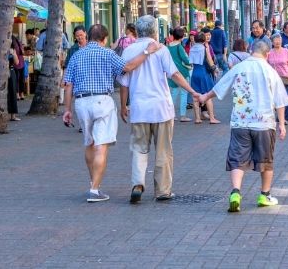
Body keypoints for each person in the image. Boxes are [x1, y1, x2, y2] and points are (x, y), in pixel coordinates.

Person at [63, 23, 163, 203]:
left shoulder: (76, 56)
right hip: (102, 100)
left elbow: (68, 84)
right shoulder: (108, 53)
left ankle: (93, 182)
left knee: (89, 143)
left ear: (89, 36)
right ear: (104, 39)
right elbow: (128, 67)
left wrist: (67, 109)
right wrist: (147, 51)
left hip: (81, 101)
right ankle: (94, 190)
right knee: (101, 145)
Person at [197, 39, 288, 212]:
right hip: (264, 123)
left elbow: (219, 87)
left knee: (238, 158)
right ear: (267, 53)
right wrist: (282, 124)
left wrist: (204, 97)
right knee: (265, 160)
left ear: (250, 50)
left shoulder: (239, 67)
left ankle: (235, 193)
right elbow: (280, 101)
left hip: (240, 121)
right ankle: (264, 195)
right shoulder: (270, 71)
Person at [118, 16, 200, 204]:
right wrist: (192, 91)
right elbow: (175, 74)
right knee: (164, 150)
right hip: (161, 107)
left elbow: (123, 83)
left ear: (137, 31)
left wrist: (123, 106)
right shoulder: (161, 49)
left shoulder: (128, 50)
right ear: (155, 30)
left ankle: (138, 184)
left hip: (139, 108)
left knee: (139, 148)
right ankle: (163, 190)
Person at [189, 32, 220, 124]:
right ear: (203, 40)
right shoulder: (204, 48)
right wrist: (215, 69)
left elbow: (190, 61)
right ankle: (212, 118)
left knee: (195, 97)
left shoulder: (192, 48)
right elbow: (210, 61)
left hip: (194, 72)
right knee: (208, 96)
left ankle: (197, 118)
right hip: (203, 73)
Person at [268, 33, 288, 123]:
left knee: (286, 99)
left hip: (286, 78)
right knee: (276, 99)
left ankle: (285, 118)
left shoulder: (286, 51)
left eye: (279, 40)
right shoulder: (269, 52)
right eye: (276, 40)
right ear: (272, 42)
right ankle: (279, 115)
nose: (278, 41)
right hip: (274, 79)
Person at [166, 27, 193, 122]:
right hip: (182, 72)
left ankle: (171, 115)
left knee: (173, 94)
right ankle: (183, 115)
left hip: (172, 73)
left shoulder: (168, 47)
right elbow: (185, 59)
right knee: (184, 93)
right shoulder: (179, 47)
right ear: (182, 37)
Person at [7, 35, 24, 120]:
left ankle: (13, 115)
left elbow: (17, 62)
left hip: (11, 71)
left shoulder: (12, 50)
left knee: (13, 93)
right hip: (3, 72)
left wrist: (13, 54)